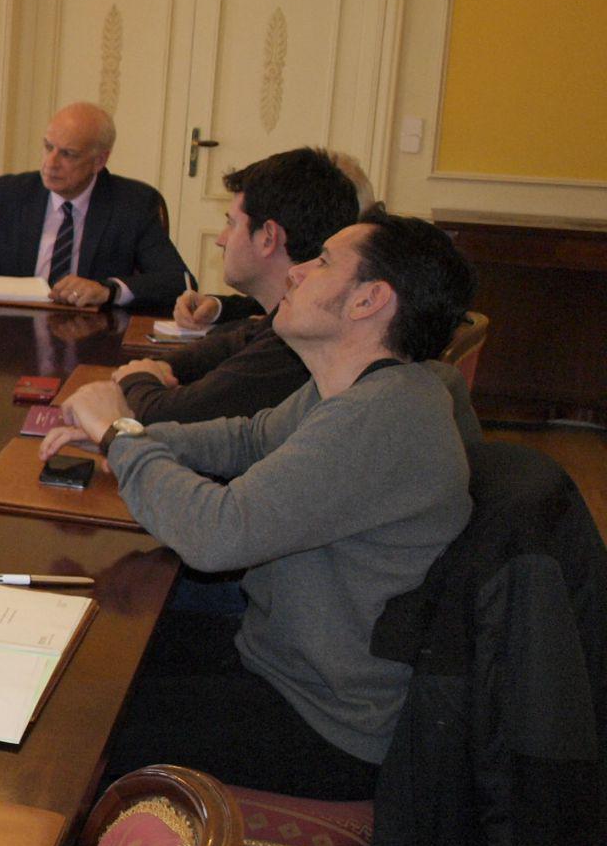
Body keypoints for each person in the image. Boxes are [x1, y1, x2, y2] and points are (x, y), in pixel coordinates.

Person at [39, 210, 481, 798]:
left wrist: (120, 435)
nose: (297, 271)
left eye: (322, 262)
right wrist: (130, 438)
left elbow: (217, 534)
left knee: (69, 723)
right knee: (79, 650)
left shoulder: (382, 417)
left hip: (323, 721)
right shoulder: (366, 386)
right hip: (276, 659)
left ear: (369, 299)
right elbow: (249, 437)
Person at [113, 148, 362, 424]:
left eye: (231, 224)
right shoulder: (293, 317)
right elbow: (237, 340)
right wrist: (161, 366)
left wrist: (136, 377)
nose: (221, 239)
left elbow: (169, 414)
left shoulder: (299, 341)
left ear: (268, 238)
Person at [0, 102, 189, 310]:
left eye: (68, 154)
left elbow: (178, 281)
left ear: (99, 161)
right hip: (12, 338)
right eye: (48, 147)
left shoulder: (132, 204)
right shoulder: (8, 195)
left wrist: (108, 290)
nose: (50, 163)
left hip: (94, 338)